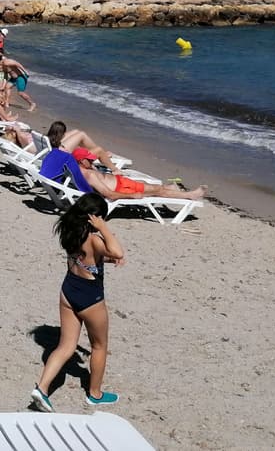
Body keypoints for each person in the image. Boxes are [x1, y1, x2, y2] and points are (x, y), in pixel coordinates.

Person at [28, 193, 125, 412]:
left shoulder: (71, 231)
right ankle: (95, 394)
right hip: (90, 299)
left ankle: (42, 388)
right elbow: (116, 250)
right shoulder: (94, 238)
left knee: (65, 346)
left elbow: (88, 258)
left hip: (68, 291)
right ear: (95, 217)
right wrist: (104, 229)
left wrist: (110, 258)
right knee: (99, 346)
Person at [74, 149, 207, 201]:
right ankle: (190, 195)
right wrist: (132, 195)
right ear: (81, 161)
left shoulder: (83, 168)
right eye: (89, 159)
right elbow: (109, 194)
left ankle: (171, 188)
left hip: (121, 182)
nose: (92, 160)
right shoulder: (89, 176)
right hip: (122, 189)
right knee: (157, 190)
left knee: (150, 185)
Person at [38, 122, 94, 192]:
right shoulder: (65, 156)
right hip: (52, 179)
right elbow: (77, 176)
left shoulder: (46, 140)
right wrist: (90, 192)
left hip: (43, 174)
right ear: (63, 135)